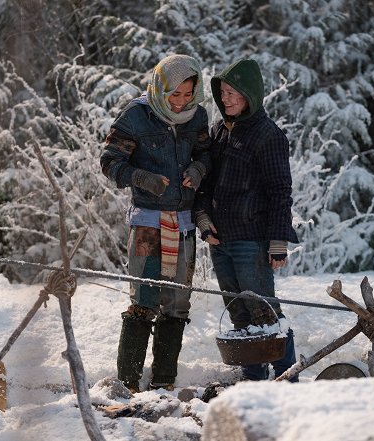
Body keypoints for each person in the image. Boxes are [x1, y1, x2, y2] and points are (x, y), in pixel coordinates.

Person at [100, 54, 211, 392]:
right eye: (174, 94)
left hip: (184, 224)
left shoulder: (197, 117)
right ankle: (128, 382)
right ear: (161, 88)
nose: (180, 102)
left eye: (187, 94)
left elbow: (207, 154)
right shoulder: (136, 115)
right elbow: (109, 161)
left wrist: (198, 170)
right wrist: (142, 178)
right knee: (143, 299)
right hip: (148, 223)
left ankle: (164, 381)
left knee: (177, 303)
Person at [194, 58, 300, 382]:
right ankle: (254, 380)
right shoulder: (219, 131)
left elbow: (280, 192)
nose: (224, 99)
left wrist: (278, 243)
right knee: (239, 314)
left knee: (264, 312)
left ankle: (288, 378)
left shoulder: (268, 136)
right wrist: (203, 219)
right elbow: (206, 182)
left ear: (250, 94)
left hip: (250, 241)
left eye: (231, 93)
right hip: (220, 240)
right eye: (222, 92)